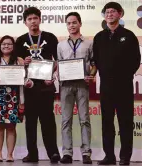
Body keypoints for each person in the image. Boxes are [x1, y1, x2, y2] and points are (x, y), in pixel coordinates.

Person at [92, 2, 141, 165]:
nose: (110, 14)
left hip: (124, 86)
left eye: (113, 11)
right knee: (107, 122)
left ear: (120, 14)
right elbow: (96, 60)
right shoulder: (99, 37)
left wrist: (124, 75)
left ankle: (125, 157)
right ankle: (109, 156)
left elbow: (136, 60)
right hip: (106, 86)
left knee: (125, 122)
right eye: (107, 12)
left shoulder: (129, 35)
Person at [15, 7, 61, 163]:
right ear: (25, 22)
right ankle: (32, 154)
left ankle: (53, 153)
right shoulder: (21, 40)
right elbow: (16, 61)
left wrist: (52, 76)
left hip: (46, 85)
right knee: (31, 122)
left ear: (40, 19)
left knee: (48, 120)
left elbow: (57, 60)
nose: (33, 21)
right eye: (29, 19)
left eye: (35, 18)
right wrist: (23, 61)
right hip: (29, 86)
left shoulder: (50, 37)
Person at [0, 35, 33, 162]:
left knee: (11, 126)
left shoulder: (19, 61)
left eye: (9, 44)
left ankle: (10, 155)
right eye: (3, 44)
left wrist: (29, 83)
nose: (6, 46)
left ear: (13, 47)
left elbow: (27, 78)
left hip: (14, 97)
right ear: (0, 46)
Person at [57, 12, 95, 164]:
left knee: (84, 119)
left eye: (74, 22)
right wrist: (58, 75)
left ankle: (86, 153)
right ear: (66, 25)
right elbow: (59, 65)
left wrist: (91, 76)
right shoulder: (61, 45)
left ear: (80, 24)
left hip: (82, 85)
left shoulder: (89, 43)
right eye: (68, 23)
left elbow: (93, 64)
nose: (71, 25)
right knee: (66, 120)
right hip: (66, 85)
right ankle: (67, 153)